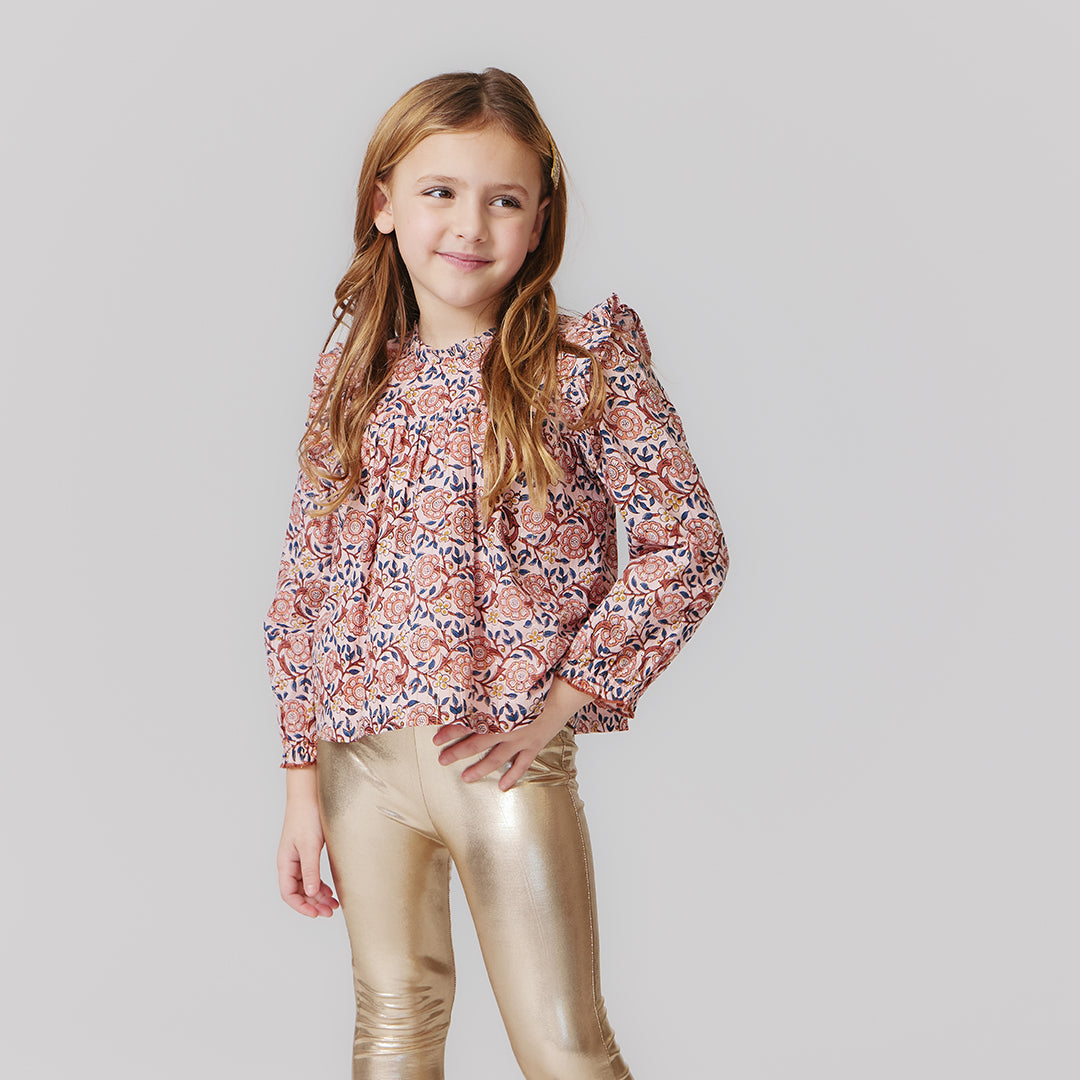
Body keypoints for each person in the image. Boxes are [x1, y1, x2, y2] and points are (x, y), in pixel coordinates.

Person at [264, 67, 729, 1080]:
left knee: (564, 1047)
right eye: (439, 191)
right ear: (384, 204)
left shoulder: (583, 364)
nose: (469, 225)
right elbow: (305, 580)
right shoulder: (354, 374)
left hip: (498, 759)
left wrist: (557, 708)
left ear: (538, 219)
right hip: (358, 762)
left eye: (503, 199)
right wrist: (301, 785)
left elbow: (686, 544)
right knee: (393, 1026)